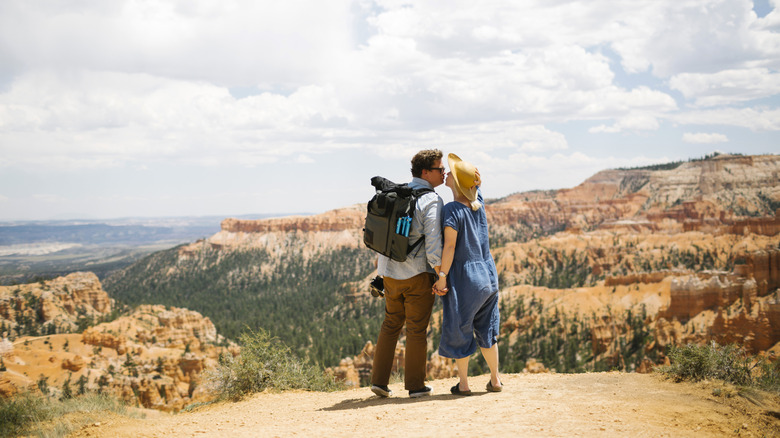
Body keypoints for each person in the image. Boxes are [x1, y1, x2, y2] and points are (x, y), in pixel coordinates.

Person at [371, 149, 445, 399]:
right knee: (416, 329)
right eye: (440, 169)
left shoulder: (397, 193)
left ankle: (379, 382)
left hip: (390, 274)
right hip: (417, 276)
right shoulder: (431, 201)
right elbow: (434, 244)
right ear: (426, 172)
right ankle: (415, 386)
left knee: (390, 325)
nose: (444, 173)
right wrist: (440, 274)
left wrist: (381, 273)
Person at [432, 153, 502, 396]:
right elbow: (476, 189)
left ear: (458, 182)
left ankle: (463, 384)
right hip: (489, 276)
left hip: (465, 279)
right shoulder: (477, 203)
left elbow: (449, 247)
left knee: (460, 328)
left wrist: (442, 276)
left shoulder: (452, 210)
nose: (447, 174)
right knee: (488, 328)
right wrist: (476, 181)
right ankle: (495, 380)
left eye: (450, 173)